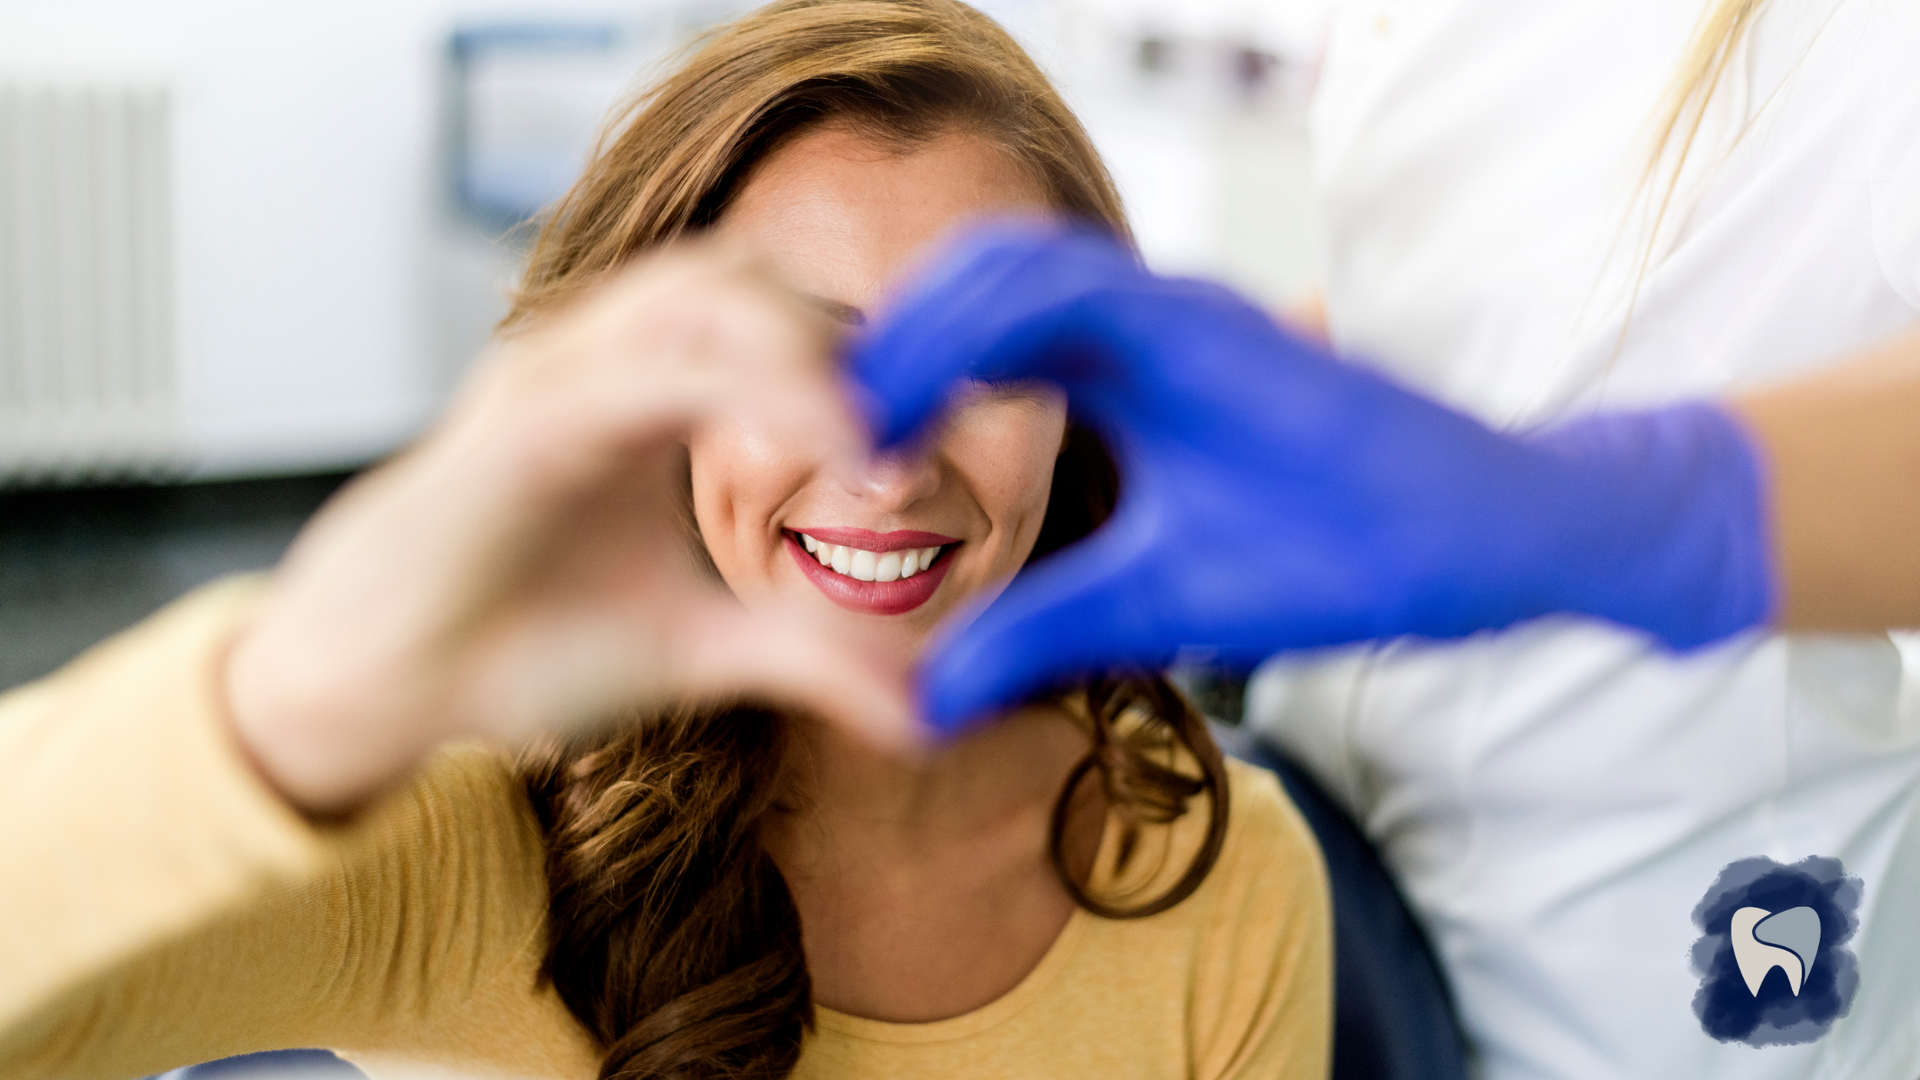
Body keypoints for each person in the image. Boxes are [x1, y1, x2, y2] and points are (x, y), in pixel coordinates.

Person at [0, 4, 1330, 1079]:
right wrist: (313, 676)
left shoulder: (1211, 866)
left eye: (985, 361)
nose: (888, 459)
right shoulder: (484, 838)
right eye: (805, 350)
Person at [845, 0, 1920, 1077]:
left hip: (1685, 944)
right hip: (1361, 871)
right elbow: (1484, 302)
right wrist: (1209, 406)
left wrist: (1591, 509)